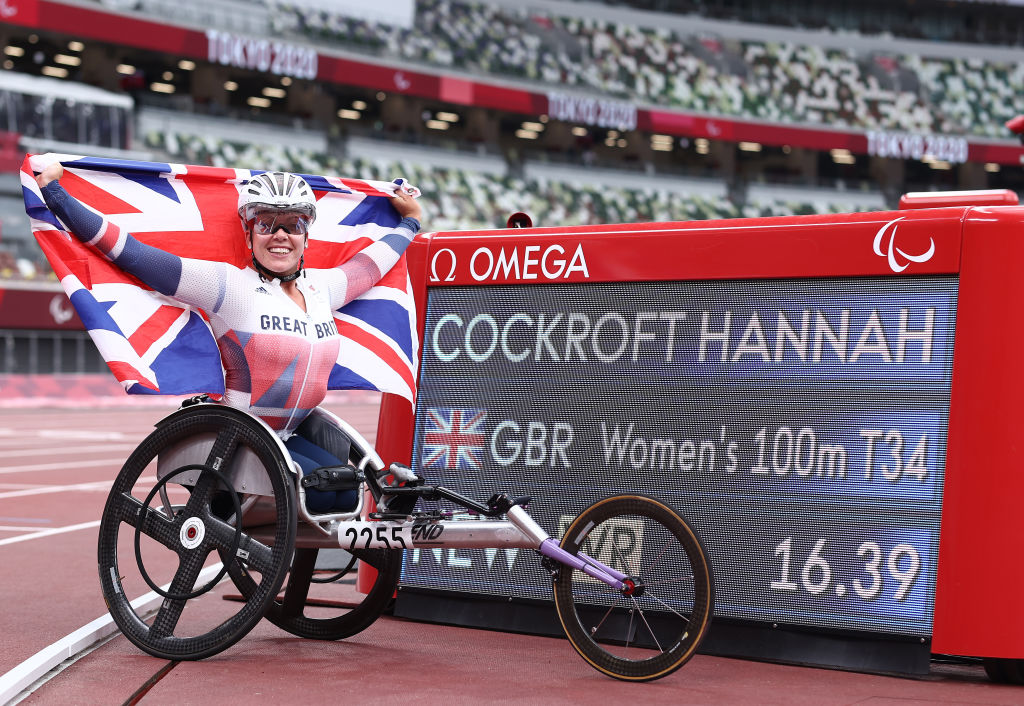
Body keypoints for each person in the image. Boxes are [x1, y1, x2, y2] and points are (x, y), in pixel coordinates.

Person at [36, 164, 422, 513]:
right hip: (242, 439)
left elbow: (372, 265)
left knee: (345, 492)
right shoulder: (228, 286)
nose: (281, 235)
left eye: (294, 224)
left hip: (292, 433)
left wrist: (410, 223)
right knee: (322, 492)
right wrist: (55, 194)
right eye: (267, 223)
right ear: (249, 229)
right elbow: (135, 255)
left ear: (307, 232)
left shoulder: (323, 288)